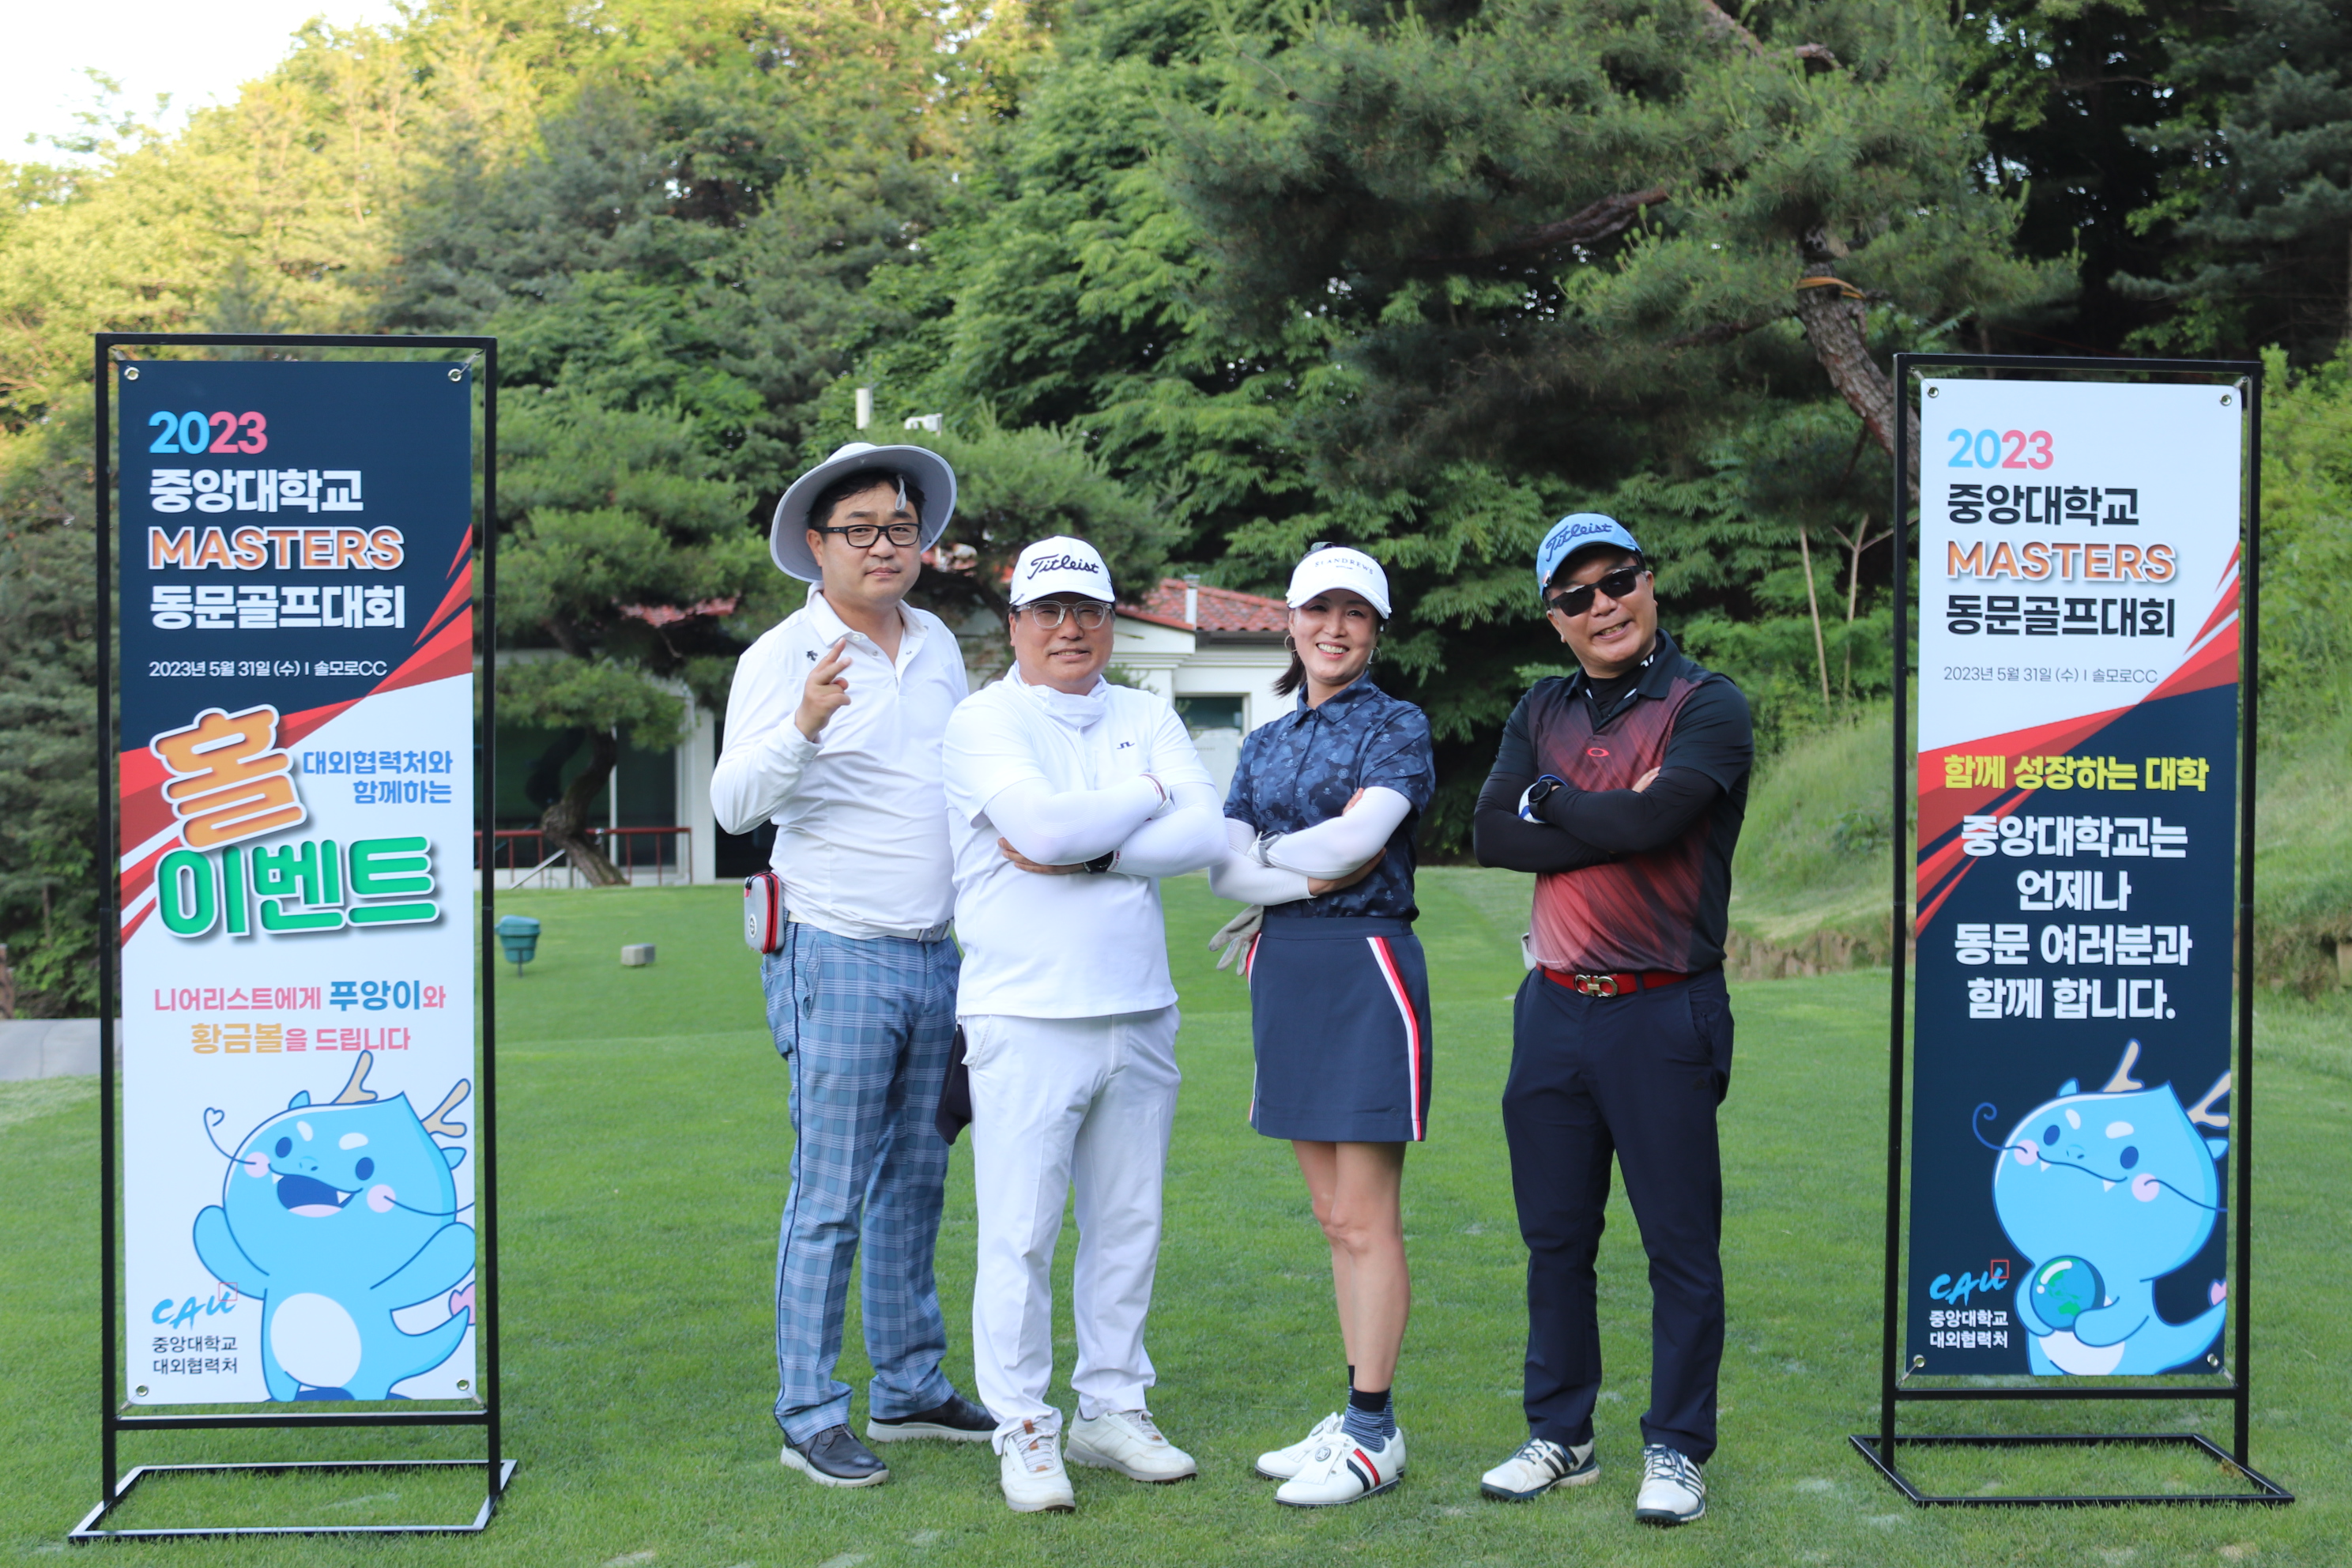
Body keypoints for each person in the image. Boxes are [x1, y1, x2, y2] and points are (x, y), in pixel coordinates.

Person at [712, 443, 997, 1489]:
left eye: (901, 528)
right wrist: (803, 724)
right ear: (816, 544)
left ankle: (910, 1386)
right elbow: (732, 806)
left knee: (917, 1180)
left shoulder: (938, 644)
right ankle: (809, 1409)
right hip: (833, 947)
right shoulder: (781, 655)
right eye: (862, 529)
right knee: (830, 1188)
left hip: (936, 953)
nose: (885, 547)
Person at [1469, 514, 1753, 1528]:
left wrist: (1552, 801)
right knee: (1556, 1239)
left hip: (1663, 1007)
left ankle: (1677, 1447)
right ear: (1555, 620)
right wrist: (1600, 813)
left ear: (1650, 582)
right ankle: (1562, 1434)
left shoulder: (1706, 702)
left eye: (1618, 580)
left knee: (1679, 1243)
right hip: (1553, 1007)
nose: (1603, 606)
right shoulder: (1540, 706)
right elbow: (1491, 833)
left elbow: (1656, 819)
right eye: (1575, 596)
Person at [940, 535, 1227, 1514]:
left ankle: (1111, 1407)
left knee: (1127, 1224)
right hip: (1024, 1012)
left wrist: (1104, 850)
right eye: (1049, 611)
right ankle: (1023, 1425)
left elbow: (1205, 830)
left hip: (1139, 1006)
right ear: (1016, 623)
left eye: (1089, 610)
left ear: (1110, 620)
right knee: (1020, 1232)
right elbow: (1043, 830)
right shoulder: (984, 720)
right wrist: (1146, 797)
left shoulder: (1145, 712)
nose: (1071, 628)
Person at [1204, 545, 1436, 1509]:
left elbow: (1361, 840)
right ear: (1290, 621)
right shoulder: (1262, 742)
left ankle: (1373, 1433)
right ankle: (1357, 1413)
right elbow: (1225, 870)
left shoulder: (1397, 724)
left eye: (1355, 613)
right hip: (1288, 967)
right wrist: (1300, 869)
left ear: (1375, 629)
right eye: (1318, 610)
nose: (1334, 629)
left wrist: (1273, 861)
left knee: (1367, 1216)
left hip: (1365, 964)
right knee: (1333, 1216)